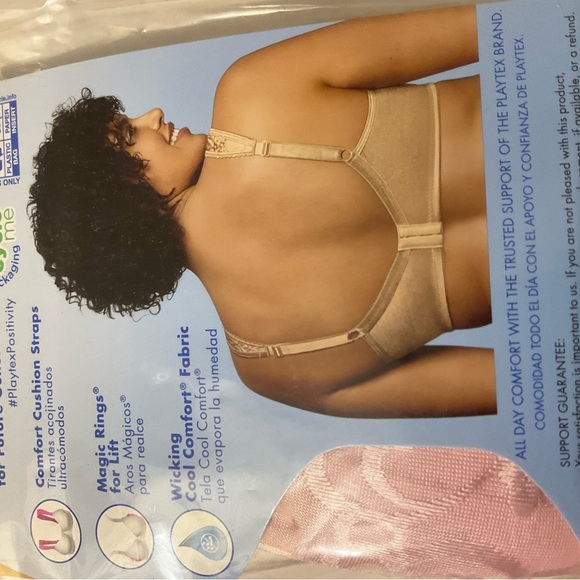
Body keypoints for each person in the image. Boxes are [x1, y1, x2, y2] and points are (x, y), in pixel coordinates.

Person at [29, 4, 495, 418]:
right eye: (129, 135)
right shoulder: (254, 90)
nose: (151, 115)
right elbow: (486, 24)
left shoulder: (272, 365)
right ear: (121, 198)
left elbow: (515, 389)